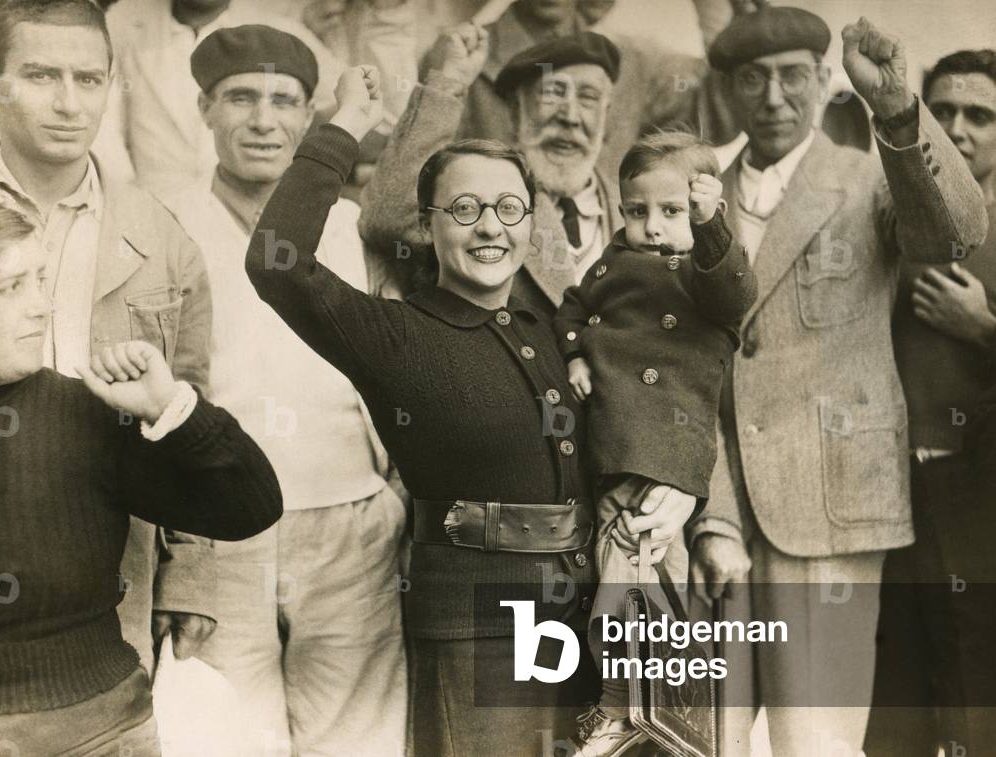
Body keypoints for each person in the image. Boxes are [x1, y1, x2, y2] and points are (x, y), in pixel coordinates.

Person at [246, 64, 686, 756]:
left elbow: (669, 395)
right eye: (464, 209)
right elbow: (276, 262)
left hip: (587, 615)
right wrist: (340, 130)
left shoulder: (553, 327)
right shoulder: (394, 335)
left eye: (508, 209)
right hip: (477, 629)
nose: (489, 228)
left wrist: (676, 493)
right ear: (427, 224)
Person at [687, 8, 989, 756]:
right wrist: (711, 513)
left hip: (831, 503)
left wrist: (894, 109)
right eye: (751, 79)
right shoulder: (692, 197)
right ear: (724, 91)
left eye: (793, 76)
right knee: (708, 738)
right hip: (716, 507)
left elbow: (952, 230)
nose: (773, 96)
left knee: (813, 742)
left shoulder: (866, 176)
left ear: (824, 84)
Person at [165, 25, 407, 756]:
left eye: (283, 100)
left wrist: (393, 492)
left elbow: (398, 365)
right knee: (226, 736)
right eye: (240, 98)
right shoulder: (167, 221)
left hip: (348, 525)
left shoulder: (350, 227)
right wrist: (182, 557)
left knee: (356, 739)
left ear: (309, 117)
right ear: (205, 108)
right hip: (220, 529)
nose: (263, 120)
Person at [0, 195, 282, 757]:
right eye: (11, 288)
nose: (41, 307)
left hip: (105, 731)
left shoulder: (83, 412)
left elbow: (252, 506)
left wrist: (172, 408)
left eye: (40, 280)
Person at [0, 0, 216, 678]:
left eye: (89, 79)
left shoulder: (161, 235)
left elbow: (190, 400)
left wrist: (190, 566)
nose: (69, 103)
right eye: (42, 76)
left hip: (112, 561)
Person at [553, 131, 756, 754]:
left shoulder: (704, 269)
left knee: (640, 572)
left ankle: (636, 710)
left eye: (671, 212)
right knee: (629, 578)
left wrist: (710, 226)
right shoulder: (613, 261)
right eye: (636, 210)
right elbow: (572, 308)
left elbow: (734, 293)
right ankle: (652, 712)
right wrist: (575, 356)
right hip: (613, 451)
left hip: (669, 452)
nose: (652, 226)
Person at [865, 48, 996, 757]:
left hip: (980, 491)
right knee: (897, 694)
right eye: (940, 111)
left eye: (979, 114)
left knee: (976, 681)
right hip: (891, 488)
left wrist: (984, 329)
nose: (957, 127)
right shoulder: (889, 218)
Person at [361, 29, 623, 313]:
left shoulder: (636, 210)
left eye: (588, 98)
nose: (570, 117)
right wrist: (450, 82)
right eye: (553, 93)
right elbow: (388, 219)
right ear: (515, 112)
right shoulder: (475, 198)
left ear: (606, 116)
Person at [424, 0, 743, 182]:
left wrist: (732, 24)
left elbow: (719, 116)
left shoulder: (632, 62)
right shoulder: (459, 57)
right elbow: (419, 194)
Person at [105, 0, 344, 202]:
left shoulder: (274, 27)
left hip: (248, 210)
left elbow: (349, 102)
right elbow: (106, 128)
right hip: (151, 206)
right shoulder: (124, 20)